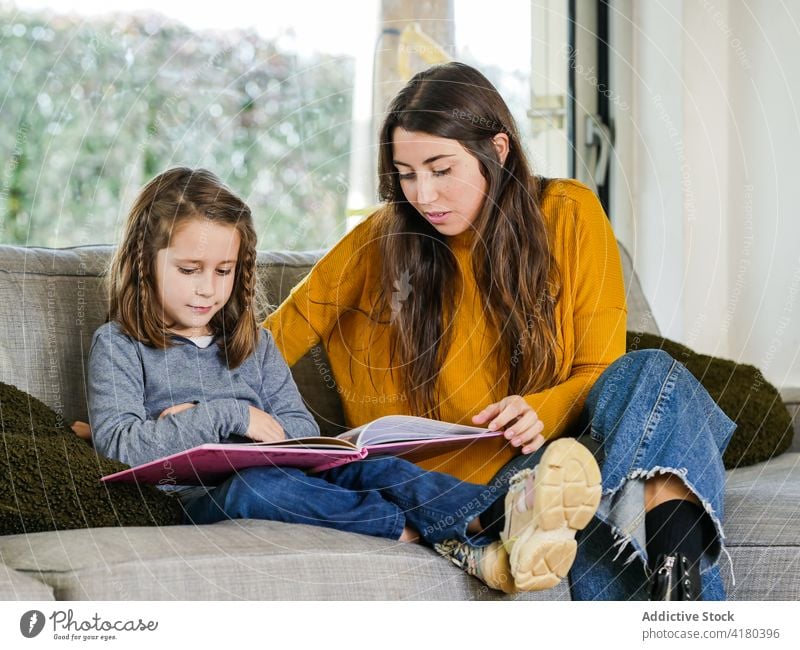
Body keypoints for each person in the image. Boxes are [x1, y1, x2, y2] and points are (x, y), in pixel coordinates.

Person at [264, 62, 736, 600]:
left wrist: (544, 408)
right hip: (464, 501)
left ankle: (679, 593)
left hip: (555, 480)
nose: (423, 195)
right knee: (630, 478)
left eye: (441, 169)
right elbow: (269, 343)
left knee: (652, 375)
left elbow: (603, 374)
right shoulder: (378, 243)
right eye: (406, 172)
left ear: (498, 149)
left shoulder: (569, 213)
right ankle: (691, 612)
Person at [86, 166, 603, 594]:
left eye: (223, 272)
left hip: (285, 472)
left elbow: (295, 428)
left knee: (379, 469)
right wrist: (232, 416)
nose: (208, 290)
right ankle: (419, 532)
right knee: (258, 487)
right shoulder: (119, 345)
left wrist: (239, 430)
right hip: (195, 497)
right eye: (189, 269)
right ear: (143, 263)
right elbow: (120, 445)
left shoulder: (253, 344)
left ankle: (500, 516)